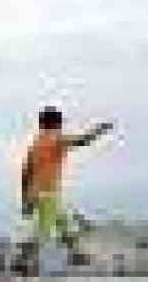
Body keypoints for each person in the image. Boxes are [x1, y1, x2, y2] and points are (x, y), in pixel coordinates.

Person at [20, 107, 115, 269]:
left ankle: (76, 254)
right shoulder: (55, 138)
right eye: (60, 123)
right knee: (44, 229)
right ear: (56, 123)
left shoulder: (36, 143)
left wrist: (25, 199)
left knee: (64, 223)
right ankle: (22, 259)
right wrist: (99, 130)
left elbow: (26, 172)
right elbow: (81, 141)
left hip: (37, 192)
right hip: (48, 192)